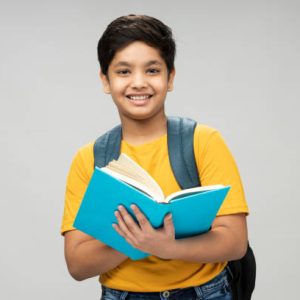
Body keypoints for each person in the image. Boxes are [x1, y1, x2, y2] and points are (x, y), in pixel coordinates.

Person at [61, 14, 249, 300]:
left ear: (170, 77)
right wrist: (138, 241)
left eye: (152, 70)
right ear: (105, 80)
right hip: (122, 294)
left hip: (205, 292)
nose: (138, 83)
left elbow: (235, 242)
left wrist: (166, 246)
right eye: (123, 71)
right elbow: (77, 264)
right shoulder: (89, 159)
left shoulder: (204, 142)